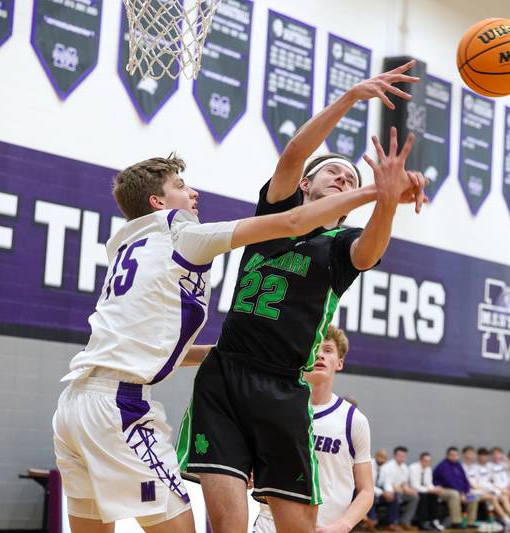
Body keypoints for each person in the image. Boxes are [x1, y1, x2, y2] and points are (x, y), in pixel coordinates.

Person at [52, 152, 398, 531]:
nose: (194, 192)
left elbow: (159, 348)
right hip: (119, 406)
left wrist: (234, 351)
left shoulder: (126, 243)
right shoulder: (185, 235)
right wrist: (380, 193)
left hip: (73, 404)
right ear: (158, 202)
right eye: (181, 186)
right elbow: (293, 219)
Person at [177, 60, 426, 533]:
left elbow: (372, 248)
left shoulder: (337, 249)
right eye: (331, 172)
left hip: (282, 386)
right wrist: (352, 97)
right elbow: (293, 153)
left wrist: (386, 200)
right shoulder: (272, 217)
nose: (342, 179)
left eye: (351, 180)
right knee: (228, 526)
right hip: (224, 378)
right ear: (306, 186)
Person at [253, 325, 373, 533]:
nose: (319, 354)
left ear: (340, 363)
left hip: (325, 528)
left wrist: (343, 525)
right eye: (314, 348)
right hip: (269, 525)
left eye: (327, 350)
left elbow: (366, 490)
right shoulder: (273, 409)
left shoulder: (353, 420)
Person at [433, 446, 479, 529]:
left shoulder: (458, 465)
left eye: (456, 455)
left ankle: (470, 522)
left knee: (473, 497)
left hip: (459, 491)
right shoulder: (443, 466)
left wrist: (467, 491)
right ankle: (456, 522)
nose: (455, 457)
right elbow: (449, 482)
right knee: (454, 494)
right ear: (447, 456)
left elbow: (465, 480)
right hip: (443, 490)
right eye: (452, 455)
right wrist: (461, 493)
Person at [379, 446, 420, 530]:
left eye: (403, 456)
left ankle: (405, 521)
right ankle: (392, 523)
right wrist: (400, 489)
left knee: (414, 497)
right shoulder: (388, 466)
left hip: (399, 491)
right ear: (395, 455)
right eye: (399, 455)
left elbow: (404, 483)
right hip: (385, 492)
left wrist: (408, 490)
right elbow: (387, 484)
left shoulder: (405, 467)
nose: (402, 457)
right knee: (396, 496)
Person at [409, 452, 445, 531]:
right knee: (423, 496)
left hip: (424, 490)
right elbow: (415, 485)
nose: (427, 463)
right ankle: (423, 522)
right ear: (420, 460)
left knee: (434, 495)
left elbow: (429, 484)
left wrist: (434, 489)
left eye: (429, 461)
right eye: (425, 460)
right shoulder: (413, 468)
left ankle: (434, 520)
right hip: (413, 490)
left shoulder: (428, 469)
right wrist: (429, 490)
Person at [370, 448, 401, 531]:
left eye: (384, 458)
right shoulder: (369, 464)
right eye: (380, 457)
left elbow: (387, 482)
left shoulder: (385, 467)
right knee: (370, 496)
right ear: (376, 456)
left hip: (379, 493)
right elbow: (368, 484)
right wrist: (382, 493)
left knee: (394, 497)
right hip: (368, 491)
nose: (382, 460)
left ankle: (390, 523)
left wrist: (389, 492)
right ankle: (372, 521)